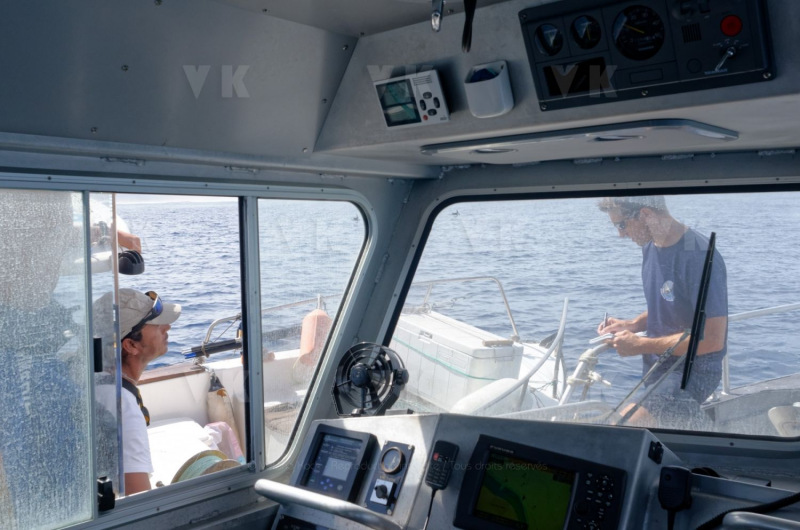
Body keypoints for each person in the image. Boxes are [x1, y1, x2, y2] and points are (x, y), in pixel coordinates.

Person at [596, 196, 728, 428]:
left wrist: (641, 345)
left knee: (621, 426)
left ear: (646, 214)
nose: (620, 234)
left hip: (693, 370)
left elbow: (712, 340)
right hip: (659, 365)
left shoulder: (700, 256)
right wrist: (633, 325)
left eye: (622, 224)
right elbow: (672, 302)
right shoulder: (650, 246)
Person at [97, 288, 181, 495]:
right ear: (131, 345)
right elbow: (138, 499)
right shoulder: (124, 407)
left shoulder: (96, 382)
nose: (167, 327)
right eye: (156, 324)